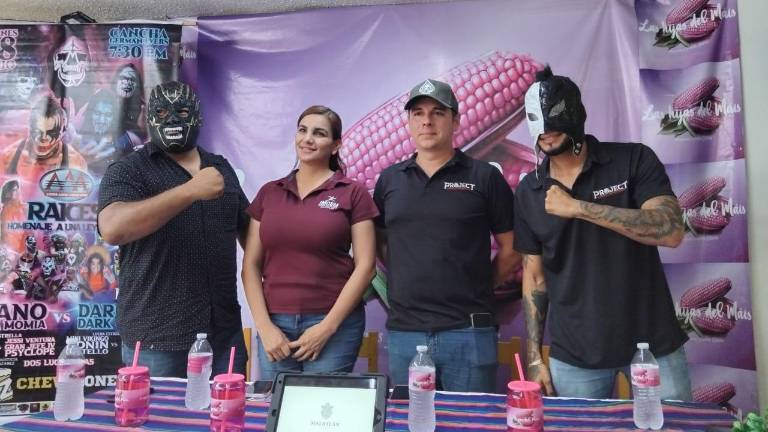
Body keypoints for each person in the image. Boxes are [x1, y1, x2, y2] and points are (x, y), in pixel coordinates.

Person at [514, 66, 691, 399]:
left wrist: (578, 208)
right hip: (576, 354)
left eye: (555, 117)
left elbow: (670, 230)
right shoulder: (529, 191)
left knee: (673, 423)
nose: (546, 131)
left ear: (576, 113)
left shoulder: (632, 159)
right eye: (537, 120)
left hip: (653, 344)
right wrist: (535, 355)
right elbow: (534, 276)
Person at [373, 79, 518, 392]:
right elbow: (380, 242)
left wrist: (481, 284)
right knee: (411, 418)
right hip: (406, 332)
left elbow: (512, 246)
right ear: (409, 123)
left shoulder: (484, 177)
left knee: (468, 418)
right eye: (418, 113)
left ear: (456, 121)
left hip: (468, 331)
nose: (427, 121)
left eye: (438, 113)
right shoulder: (389, 180)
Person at [98, 81, 250, 377]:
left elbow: (251, 231)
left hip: (223, 334)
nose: (171, 119)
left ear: (197, 116)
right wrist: (189, 191)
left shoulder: (220, 167)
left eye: (181, 111)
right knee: (159, 409)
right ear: (147, 117)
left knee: (227, 408)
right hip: (158, 337)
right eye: (161, 112)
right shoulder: (128, 170)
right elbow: (112, 228)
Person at [242, 105, 377, 380]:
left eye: (319, 133)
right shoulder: (270, 192)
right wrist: (264, 327)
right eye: (302, 130)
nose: (308, 139)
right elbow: (250, 266)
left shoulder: (352, 193)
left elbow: (366, 267)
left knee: (321, 405)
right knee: (276, 404)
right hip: (274, 325)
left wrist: (327, 328)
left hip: (333, 325)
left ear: (336, 145)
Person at [0, 95, 88, 181]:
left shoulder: (74, 162)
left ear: (62, 131)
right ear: (30, 128)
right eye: (38, 131)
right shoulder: (8, 157)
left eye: (51, 133)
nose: (44, 138)